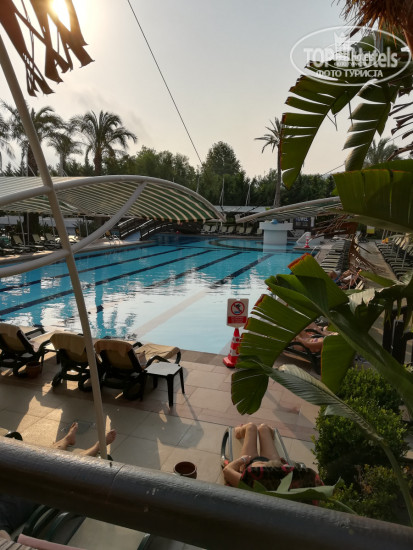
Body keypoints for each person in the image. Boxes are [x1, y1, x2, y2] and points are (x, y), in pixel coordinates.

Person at [0, 423, 116, 541]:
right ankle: (95, 447)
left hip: (12, 480)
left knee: (38, 458)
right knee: (53, 466)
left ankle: (66, 441)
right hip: (30, 488)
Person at [223, 423, 321, 490]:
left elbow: (227, 470)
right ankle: (267, 433)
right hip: (273, 467)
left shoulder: (248, 484)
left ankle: (240, 431)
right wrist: (285, 468)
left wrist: (242, 460)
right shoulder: (285, 486)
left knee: (251, 427)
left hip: (249, 462)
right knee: (263, 428)